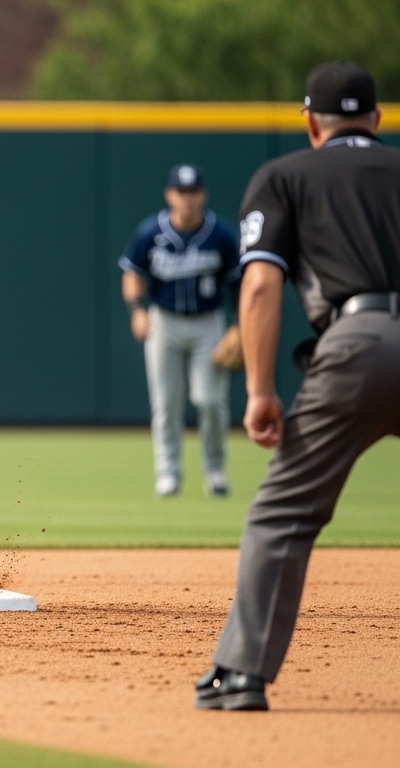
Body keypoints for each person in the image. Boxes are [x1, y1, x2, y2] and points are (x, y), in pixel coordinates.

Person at [196, 60, 400, 711]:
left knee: (283, 514)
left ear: (311, 122)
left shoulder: (285, 174)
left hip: (356, 342)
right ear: (377, 119)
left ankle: (241, 674)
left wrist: (259, 390)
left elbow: (260, 283)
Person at [119, 165, 241, 498]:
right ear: (170, 195)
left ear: (203, 195)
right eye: (181, 192)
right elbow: (132, 274)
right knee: (167, 403)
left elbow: (238, 284)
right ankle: (168, 474)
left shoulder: (220, 234)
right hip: (164, 321)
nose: (187, 198)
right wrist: (138, 310)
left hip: (208, 322)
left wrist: (240, 326)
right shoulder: (151, 232)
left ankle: (215, 470)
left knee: (211, 400)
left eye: (193, 192)